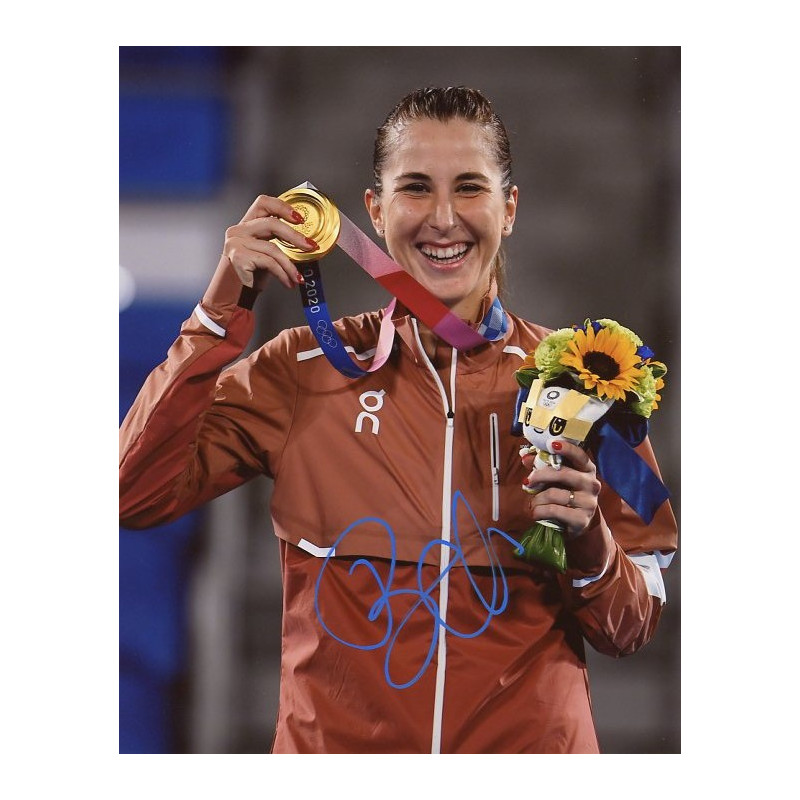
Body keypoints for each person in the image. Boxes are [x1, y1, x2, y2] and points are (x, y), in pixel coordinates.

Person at [119, 86, 678, 754]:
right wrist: (217, 315)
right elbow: (132, 493)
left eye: (469, 187)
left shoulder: (590, 381)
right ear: (376, 212)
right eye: (415, 188)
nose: (443, 218)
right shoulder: (298, 369)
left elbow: (633, 626)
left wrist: (589, 547)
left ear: (509, 208)